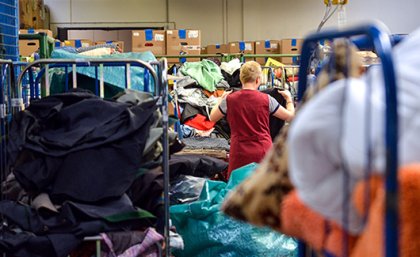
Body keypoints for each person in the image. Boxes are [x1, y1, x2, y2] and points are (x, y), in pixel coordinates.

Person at [210, 61, 295, 178]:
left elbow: (212, 117)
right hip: (263, 151)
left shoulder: (229, 100)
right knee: (264, 190)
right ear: (258, 79)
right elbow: (290, 117)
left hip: (239, 153)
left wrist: (219, 100)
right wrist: (289, 99)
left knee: (236, 189)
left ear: (241, 79)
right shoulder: (267, 99)